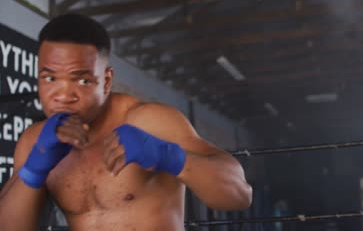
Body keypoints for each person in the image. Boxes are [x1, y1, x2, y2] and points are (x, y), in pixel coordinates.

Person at [0, 14, 252, 230]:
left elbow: (239, 194)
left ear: (107, 80)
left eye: (82, 80)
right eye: (50, 78)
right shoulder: (35, 140)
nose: (63, 95)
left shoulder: (148, 120)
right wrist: (34, 169)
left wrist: (166, 155)